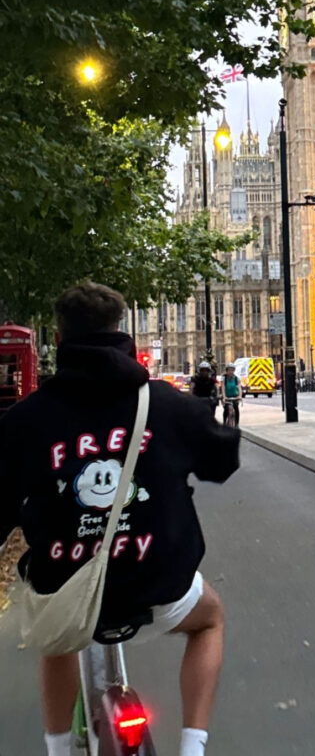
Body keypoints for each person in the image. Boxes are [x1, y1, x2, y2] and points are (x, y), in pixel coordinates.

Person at [0, 282, 240, 756]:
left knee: (57, 635)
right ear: (120, 331)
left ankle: (57, 749)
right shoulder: (165, 404)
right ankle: (193, 747)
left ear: (59, 337)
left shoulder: (26, 420)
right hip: (157, 586)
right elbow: (223, 461)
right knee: (209, 620)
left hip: (67, 583)